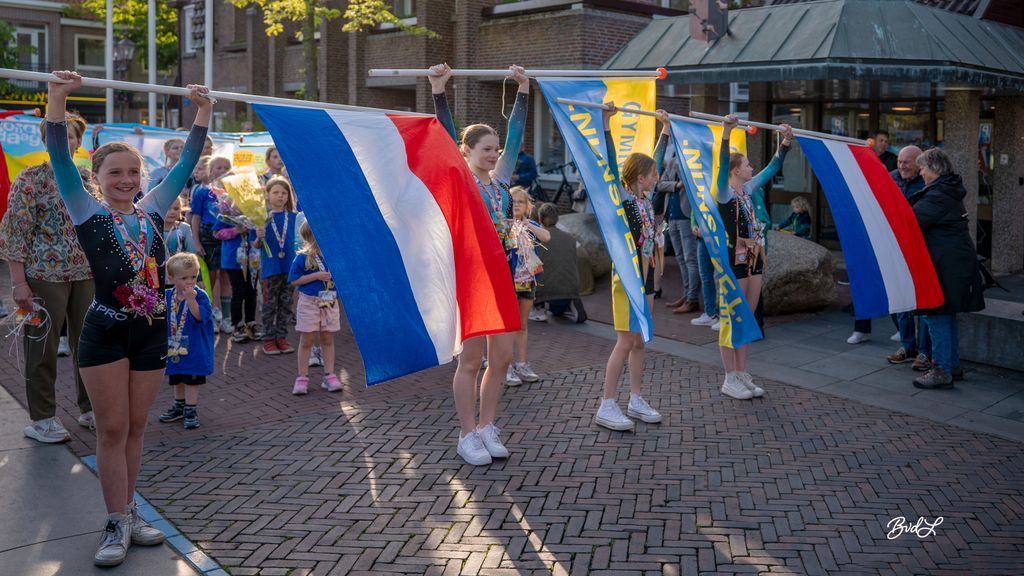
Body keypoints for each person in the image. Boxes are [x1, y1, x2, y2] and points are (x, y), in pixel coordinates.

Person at [45, 70, 211, 566]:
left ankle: (129, 509)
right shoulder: (85, 210)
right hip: (104, 331)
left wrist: (203, 110)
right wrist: (57, 98)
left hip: (151, 332)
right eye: (114, 173)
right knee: (112, 429)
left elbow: (186, 161)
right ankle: (115, 520)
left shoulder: (155, 212)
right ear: (97, 178)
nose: (125, 181)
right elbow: (58, 154)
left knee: (137, 427)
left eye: (133, 173)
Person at [430, 61, 529, 466]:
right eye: (486, 149)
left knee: (502, 359)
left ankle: (488, 427)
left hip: (502, 274)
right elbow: (444, 135)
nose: (493, 155)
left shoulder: (502, 180)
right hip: (470, 277)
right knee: (471, 360)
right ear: (466, 152)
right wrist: (439, 92)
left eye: (495, 150)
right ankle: (466, 433)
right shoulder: (460, 177)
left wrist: (523, 91)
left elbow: (517, 135)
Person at [0, 111, 95, 442]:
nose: (65, 141)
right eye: (57, 136)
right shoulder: (29, 179)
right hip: (42, 275)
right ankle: (42, 419)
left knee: (90, 344)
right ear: (45, 141)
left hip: (86, 274)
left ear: (79, 143)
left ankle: (89, 408)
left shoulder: (88, 178)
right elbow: (14, 232)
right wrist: (18, 282)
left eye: (71, 136)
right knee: (42, 347)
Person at [593, 104, 670, 432]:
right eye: (653, 174)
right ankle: (607, 403)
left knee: (640, 342)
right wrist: (606, 125)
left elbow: (657, 159)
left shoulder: (645, 200)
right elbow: (611, 166)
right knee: (625, 341)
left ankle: (636, 398)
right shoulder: (622, 198)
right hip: (627, 277)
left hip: (647, 275)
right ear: (640, 177)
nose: (658, 177)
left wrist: (665, 131)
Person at [715, 114, 793, 400]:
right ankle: (729, 376)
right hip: (732, 260)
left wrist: (784, 143)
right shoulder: (724, 192)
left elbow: (772, 169)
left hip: (753, 256)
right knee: (731, 318)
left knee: (746, 317)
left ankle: (742, 371)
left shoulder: (747, 190)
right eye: (747, 165)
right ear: (735, 171)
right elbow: (722, 164)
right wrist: (726, 134)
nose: (752, 168)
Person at [910, 148, 985, 389]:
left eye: (922, 167)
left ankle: (941, 370)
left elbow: (912, 222)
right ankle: (951, 365)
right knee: (945, 313)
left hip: (945, 264)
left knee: (935, 313)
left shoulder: (939, 195)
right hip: (952, 263)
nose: (920, 171)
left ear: (935, 169)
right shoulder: (946, 190)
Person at [848, 145, 926, 347]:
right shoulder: (891, 177)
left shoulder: (925, 182)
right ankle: (861, 329)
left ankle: (905, 333)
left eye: (906, 162)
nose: (901, 166)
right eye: (899, 161)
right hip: (884, 238)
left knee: (902, 289)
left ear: (918, 164)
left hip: (910, 244)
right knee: (866, 281)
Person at [157, 253, 214, 429]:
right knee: (177, 377)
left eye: (194, 277)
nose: (190, 281)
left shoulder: (200, 296)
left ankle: (191, 409)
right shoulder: (167, 296)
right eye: (184, 278)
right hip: (174, 348)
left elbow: (199, 317)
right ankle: (179, 405)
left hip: (195, 350)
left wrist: (191, 300)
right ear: (171, 278)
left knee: (192, 380)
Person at [288, 220, 342, 394]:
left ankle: (329, 375)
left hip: (328, 299)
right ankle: (302, 377)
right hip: (309, 302)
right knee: (307, 340)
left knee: (327, 338)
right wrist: (317, 276)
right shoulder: (302, 257)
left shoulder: (332, 255)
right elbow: (295, 280)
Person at [505, 187, 550, 386]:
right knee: (507, 326)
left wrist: (527, 225)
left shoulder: (529, 224)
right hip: (507, 280)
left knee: (522, 325)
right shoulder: (503, 225)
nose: (516, 205)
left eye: (520, 202)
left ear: (527, 206)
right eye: (513, 202)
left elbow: (546, 237)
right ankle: (504, 366)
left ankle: (521, 363)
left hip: (526, 281)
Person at [654, 144, 700, 314]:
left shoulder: (693, 162)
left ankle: (692, 298)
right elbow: (660, 184)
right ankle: (686, 294)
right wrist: (676, 185)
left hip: (687, 216)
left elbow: (691, 183)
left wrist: (680, 180)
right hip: (671, 216)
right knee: (680, 258)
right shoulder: (673, 161)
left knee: (690, 258)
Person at [256, 177, 297, 355]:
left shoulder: (295, 218)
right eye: (276, 193)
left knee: (286, 304)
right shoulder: (261, 218)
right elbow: (256, 245)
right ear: (267, 195)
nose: (280, 196)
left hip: (289, 268)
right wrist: (259, 237)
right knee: (269, 305)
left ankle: (281, 337)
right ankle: (268, 339)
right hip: (270, 268)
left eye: (284, 193)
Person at [188, 157, 230, 333]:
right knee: (210, 278)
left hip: (228, 236)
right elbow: (195, 218)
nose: (223, 170)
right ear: (210, 171)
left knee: (227, 276)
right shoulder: (203, 192)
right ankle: (211, 312)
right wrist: (196, 242)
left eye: (226, 167)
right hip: (208, 235)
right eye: (218, 167)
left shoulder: (233, 192)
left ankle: (227, 318)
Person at [213, 196, 259, 343]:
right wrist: (236, 230)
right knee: (238, 291)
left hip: (252, 259)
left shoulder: (254, 212)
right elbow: (216, 233)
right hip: (233, 260)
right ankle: (237, 325)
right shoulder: (225, 213)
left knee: (252, 291)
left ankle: (250, 323)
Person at [533, 203, 586, 322]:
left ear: (540, 219)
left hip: (544, 290)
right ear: (557, 219)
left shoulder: (536, 237)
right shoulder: (570, 238)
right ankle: (570, 303)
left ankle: (539, 308)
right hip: (571, 287)